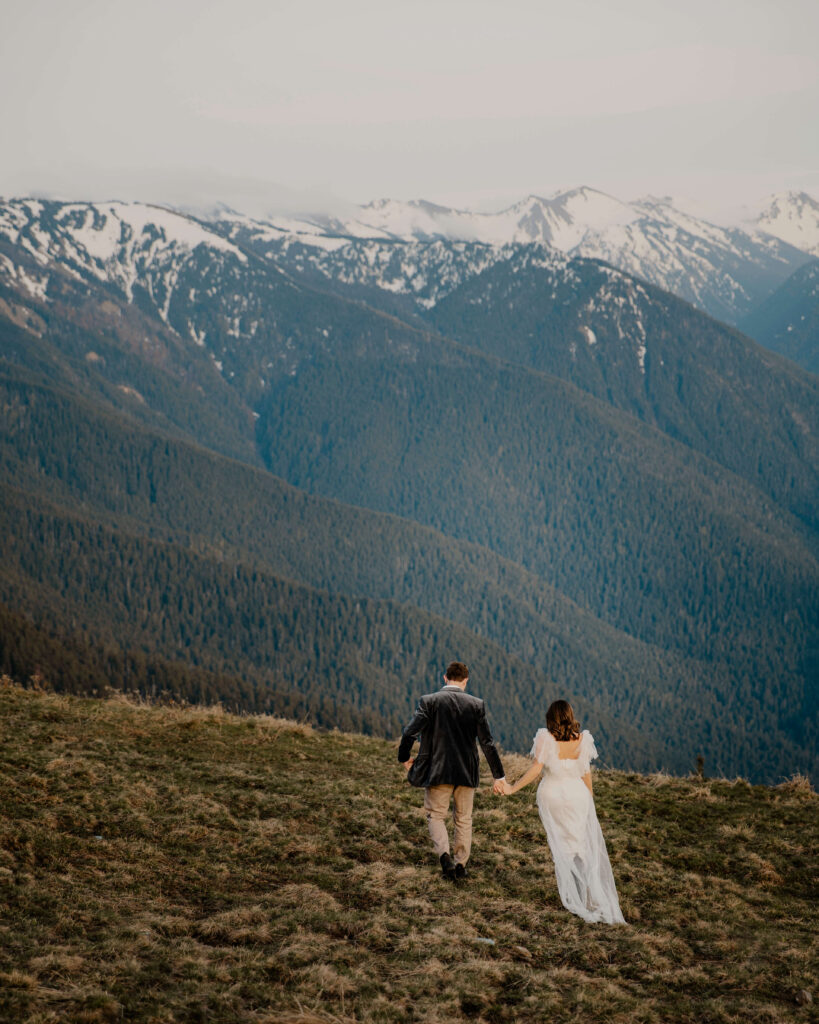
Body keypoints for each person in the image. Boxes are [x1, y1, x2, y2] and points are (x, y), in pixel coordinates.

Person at [503, 699, 625, 924]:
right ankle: (582, 893)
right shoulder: (583, 739)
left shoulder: (545, 738)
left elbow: (535, 769)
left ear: (551, 718)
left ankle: (573, 896)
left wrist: (512, 788)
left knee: (562, 845)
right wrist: (589, 798)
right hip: (578, 795)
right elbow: (585, 772)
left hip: (553, 795)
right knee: (579, 843)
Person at [398, 661, 506, 880]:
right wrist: (499, 776)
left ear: (445, 678)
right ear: (466, 680)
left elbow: (410, 733)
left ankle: (444, 856)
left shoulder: (429, 701)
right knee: (464, 818)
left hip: (437, 770)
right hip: (467, 771)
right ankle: (460, 865)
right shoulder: (477, 705)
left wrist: (405, 758)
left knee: (436, 815)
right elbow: (487, 743)